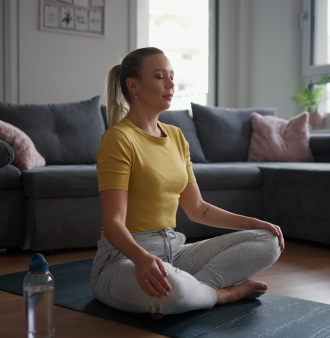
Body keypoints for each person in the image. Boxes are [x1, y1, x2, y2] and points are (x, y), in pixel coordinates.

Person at [91, 47, 284, 319]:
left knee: (270, 240)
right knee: (172, 291)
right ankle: (222, 294)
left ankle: (195, 292)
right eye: (160, 77)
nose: (171, 84)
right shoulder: (118, 138)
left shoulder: (177, 136)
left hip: (175, 253)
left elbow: (197, 209)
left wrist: (257, 223)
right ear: (133, 85)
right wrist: (143, 259)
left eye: (172, 76)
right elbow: (113, 222)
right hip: (123, 259)